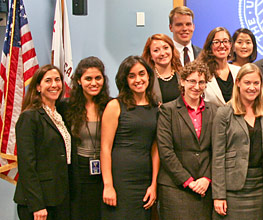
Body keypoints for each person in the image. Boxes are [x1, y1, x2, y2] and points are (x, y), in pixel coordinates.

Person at [212, 63, 263, 219]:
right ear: (238, 83)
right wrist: (219, 195)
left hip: (260, 189)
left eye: (256, 83)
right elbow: (218, 156)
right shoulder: (224, 113)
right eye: (247, 82)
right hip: (231, 190)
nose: (252, 87)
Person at [156, 61, 217, 220]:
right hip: (175, 188)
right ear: (182, 81)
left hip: (205, 188)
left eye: (201, 82)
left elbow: (218, 149)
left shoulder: (215, 111)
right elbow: (166, 151)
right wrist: (188, 181)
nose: (197, 86)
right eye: (192, 81)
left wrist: (207, 178)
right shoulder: (167, 111)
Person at [101, 56, 159, 219]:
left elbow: (155, 148)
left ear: (149, 76)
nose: (138, 79)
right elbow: (105, 148)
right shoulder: (115, 105)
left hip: (144, 180)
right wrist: (108, 185)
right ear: (125, 80)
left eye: (141, 74)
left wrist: (154, 185)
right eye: (132, 76)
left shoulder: (155, 107)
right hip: (120, 181)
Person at [14, 65, 71, 220]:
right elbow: (27, 165)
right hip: (39, 204)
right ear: (38, 87)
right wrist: (37, 205)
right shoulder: (30, 117)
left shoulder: (59, 115)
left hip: (59, 199)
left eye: (57, 80)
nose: (54, 85)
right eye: (48, 80)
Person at [58, 57, 111, 220]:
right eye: (88, 78)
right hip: (78, 172)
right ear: (79, 81)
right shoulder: (66, 107)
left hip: (105, 173)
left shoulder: (111, 105)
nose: (93, 83)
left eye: (98, 78)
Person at [199, 27, 240, 107]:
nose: (222, 45)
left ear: (230, 45)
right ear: (210, 46)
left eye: (225, 41)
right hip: (211, 118)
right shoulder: (202, 73)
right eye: (216, 42)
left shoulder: (239, 71)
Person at [142, 33, 183, 104]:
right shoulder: (147, 78)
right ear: (150, 56)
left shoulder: (183, 74)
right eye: (156, 50)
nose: (162, 53)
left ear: (172, 50)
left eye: (166, 48)